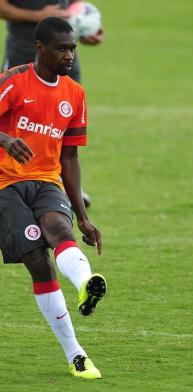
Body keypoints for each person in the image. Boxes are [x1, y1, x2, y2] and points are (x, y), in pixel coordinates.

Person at [0, 16, 106, 379]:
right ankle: (76, 354)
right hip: (5, 185)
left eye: (72, 48)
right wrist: (4, 139)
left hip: (47, 180)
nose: (69, 55)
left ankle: (86, 285)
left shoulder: (74, 94)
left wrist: (84, 216)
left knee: (62, 230)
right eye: (61, 48)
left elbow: (70, 157)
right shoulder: (14, 82)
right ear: (40, 49)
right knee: (39, 263)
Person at [0, 0, 105, 207]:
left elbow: (73, 4)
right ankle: (12, 183)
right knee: (18, 122)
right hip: (23, 51)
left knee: (61, 123)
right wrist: (37, 15)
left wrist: (85, 25)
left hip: (62, 51)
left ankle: (56, 183)